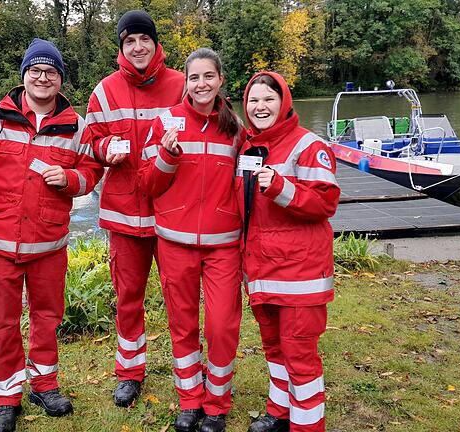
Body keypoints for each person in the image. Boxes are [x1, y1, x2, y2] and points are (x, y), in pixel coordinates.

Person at [0, 38, 103, 432]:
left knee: (47, 317)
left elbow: (91, 176)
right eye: (35, 70)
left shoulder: (76, 126)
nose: (42, 77)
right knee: (2, 321)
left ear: (60, 80)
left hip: (49, 245)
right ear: (24, 76)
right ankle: (7, 396)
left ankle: (44, 384)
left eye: (51, 72)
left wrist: (68, 179)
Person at [84, 9, 184, 407]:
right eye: (130, 41)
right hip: (124, 216)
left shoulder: (181, 85)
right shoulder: (104, 91)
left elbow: (207, 132)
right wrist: (104, 148)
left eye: (145, 39)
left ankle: (187, 370)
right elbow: (90, 143)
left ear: (156, 44)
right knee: (128, 297)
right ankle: (130, 372)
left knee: (179, 297)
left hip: (173, 214)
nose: (138, 47)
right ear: (122, 47)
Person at [140, 47, 243, 432]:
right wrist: (166, 156)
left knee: (221, 325)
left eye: (208, 77)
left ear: (220, 80)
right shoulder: (165, 121)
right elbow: (146, 183)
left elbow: (244, 189)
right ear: (186, 81)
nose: (201, 84)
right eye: (194, 77)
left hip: (223, 244)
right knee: (182, 325)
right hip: (174, 241)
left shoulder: (236, 129)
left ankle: (217, 403)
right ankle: (190, 399)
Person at [238, 71, 340, 432]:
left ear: (284, 102)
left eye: (268, 99)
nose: (260, 107)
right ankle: (279, 412)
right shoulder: (248, 148)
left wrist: (281, 187)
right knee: (274, 349)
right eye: (253, 100)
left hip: (300, 274)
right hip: (262, 271)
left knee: (300, 356)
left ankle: (307, 426)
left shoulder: (307, 145)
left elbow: (326, 202)